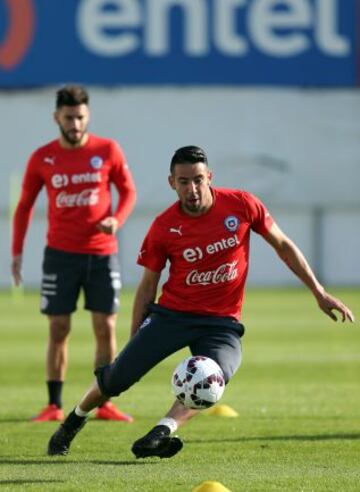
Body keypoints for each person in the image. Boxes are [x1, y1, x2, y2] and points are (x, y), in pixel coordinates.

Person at [46, 145, 354, 457]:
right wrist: (135, 340)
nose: (191, 189)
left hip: (221, 324)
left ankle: (162, 430)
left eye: (197, 180)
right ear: (171, 182)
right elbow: (147, 287)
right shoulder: (164, 226)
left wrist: (318, 291)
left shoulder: (242, 204)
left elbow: (284, 245)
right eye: (183, 182)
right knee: (116, 378)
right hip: (171, 316)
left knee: (214, 377)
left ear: (209, 177)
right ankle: (72, 422)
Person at [11, 85, 137, 423]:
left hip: (101, 254)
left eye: (80, 117)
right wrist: (16, 251)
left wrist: (117, 219)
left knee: (105, 326)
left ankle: (105, 401)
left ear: (88, 115)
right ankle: (53, 404)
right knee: (58, 328)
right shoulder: (42, 158)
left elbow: (128, 191)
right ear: (57, 117)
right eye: (68, 117)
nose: (75, 124)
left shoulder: (108, 150)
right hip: (60, 255)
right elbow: (24, 207)